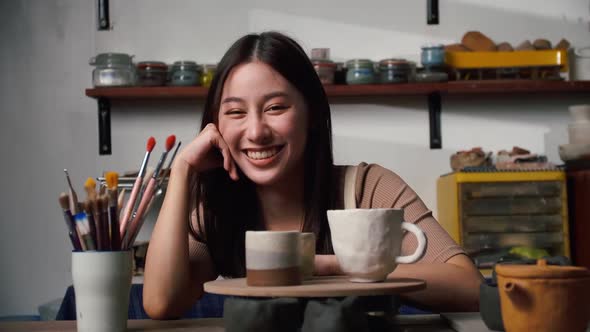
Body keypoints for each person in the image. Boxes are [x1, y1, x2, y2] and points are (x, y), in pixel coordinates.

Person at [143, 31, 483, 319]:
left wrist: (335, 266)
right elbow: (161, 303)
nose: (257, 131)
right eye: (235, 112)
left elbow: (470, 287)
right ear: (215, 125)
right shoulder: (217, 210)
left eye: (276, 107)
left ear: (312, 113)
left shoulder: (368, 188)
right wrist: (182, 171)